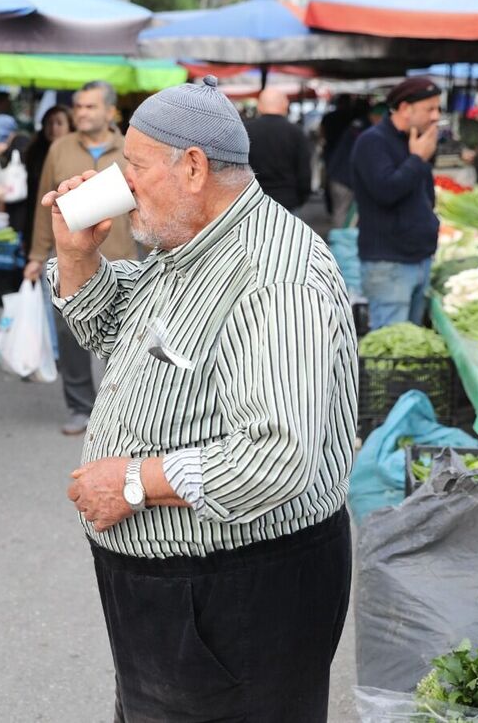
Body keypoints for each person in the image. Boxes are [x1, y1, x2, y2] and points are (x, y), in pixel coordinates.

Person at [45, 75, 355, 721]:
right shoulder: (185, 244)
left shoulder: (275, 278)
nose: (121, 180)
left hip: (237, 593)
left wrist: (130, 482)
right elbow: (106, 327)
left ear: (192, 167)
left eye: (133, 164)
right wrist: (78, 256)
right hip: (181, 597)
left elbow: (274, 456)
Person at [25, 80, 137, 437]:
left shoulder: (130, 149)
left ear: (109, 111)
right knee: (71, 336)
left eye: (90, 106)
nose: (82, 113)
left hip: (121, 261)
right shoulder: (59, 148)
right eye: (79, 107)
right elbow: (45, 209)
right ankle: (79, 406)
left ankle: (119, 412)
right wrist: (36, 255)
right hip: (69, 262)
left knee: (121, 342)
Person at [350, 77, 442, 330]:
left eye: (438, 109)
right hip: (389, 264)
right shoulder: (373, 142)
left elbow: (424, 195)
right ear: (404, 108)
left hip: (419, 258)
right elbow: (386, 191)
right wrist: (417, 159)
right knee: (392, 349)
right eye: (429, 109)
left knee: (411, 344)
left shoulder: (414, 139)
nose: (436, 116)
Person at [243, 88, 314, 214]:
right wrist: (302, 197)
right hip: (288, 202)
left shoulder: (245, 131)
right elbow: (304, 172)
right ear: (285, 105)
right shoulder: (296, 133)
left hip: (253, 201)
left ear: (259, 106)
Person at [19, 105, 75, 242]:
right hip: (35, 213)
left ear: (70, 127)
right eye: (49, 123)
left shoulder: (74, 155)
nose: (54, 128)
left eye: (59, 123)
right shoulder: (34, 152)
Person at [325, 102, 383, 228]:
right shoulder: (365, 129)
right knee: (342, 214)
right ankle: (338, 245)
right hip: (343, 179)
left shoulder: (359, 125)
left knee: (343, 213)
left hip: (339, 176)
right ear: (376, 116)